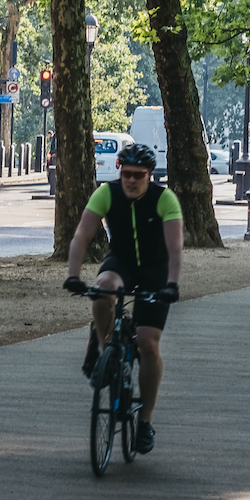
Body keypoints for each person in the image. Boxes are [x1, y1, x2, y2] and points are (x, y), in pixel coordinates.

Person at [62, 142, 181, 456]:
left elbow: (175, 249)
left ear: (149, 175)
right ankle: (105, 352)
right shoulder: (107, 193)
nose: (130, 180)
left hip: (156, 270)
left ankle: (145, 421)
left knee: (148, 343)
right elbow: (80, 236)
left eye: (137, 175)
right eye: (125, 173)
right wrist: (74, 276)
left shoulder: (164, 199)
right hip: (122, 263)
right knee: (103, 290)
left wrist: (171, 284)